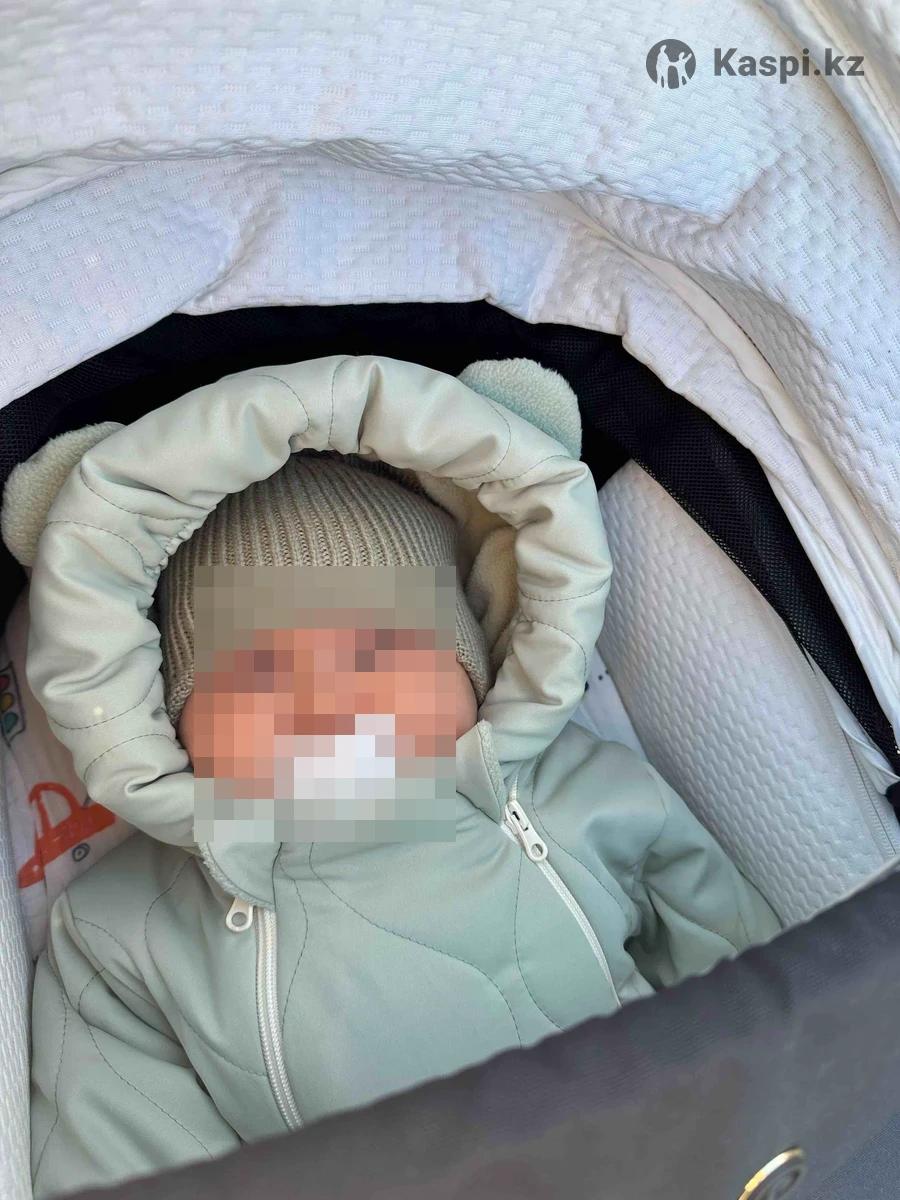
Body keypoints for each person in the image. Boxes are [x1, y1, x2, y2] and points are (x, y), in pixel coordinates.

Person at [20, 357, 780, 1196]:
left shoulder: (586, 794)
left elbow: (755, 984)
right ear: (173, 721)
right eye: (259, 676)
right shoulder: (126, 933)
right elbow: (121, 1148)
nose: (327, 704)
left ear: (473, 672)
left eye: (380, 656)